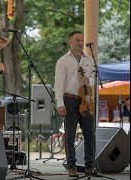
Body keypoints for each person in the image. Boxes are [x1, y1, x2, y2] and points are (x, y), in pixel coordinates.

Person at [54, 31, 95, 177]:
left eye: (82, 40)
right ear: (70, 42)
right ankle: (72, 166)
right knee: (70, 136)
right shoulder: (63, 61)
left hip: (87, 100)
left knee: (90, 134)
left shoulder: (89, 59)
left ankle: (90, 166)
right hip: (70, 100)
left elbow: (94, 79)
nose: (80, 42)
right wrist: (59, 103)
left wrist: (88, 81)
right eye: (77, 40)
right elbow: (58, 84)